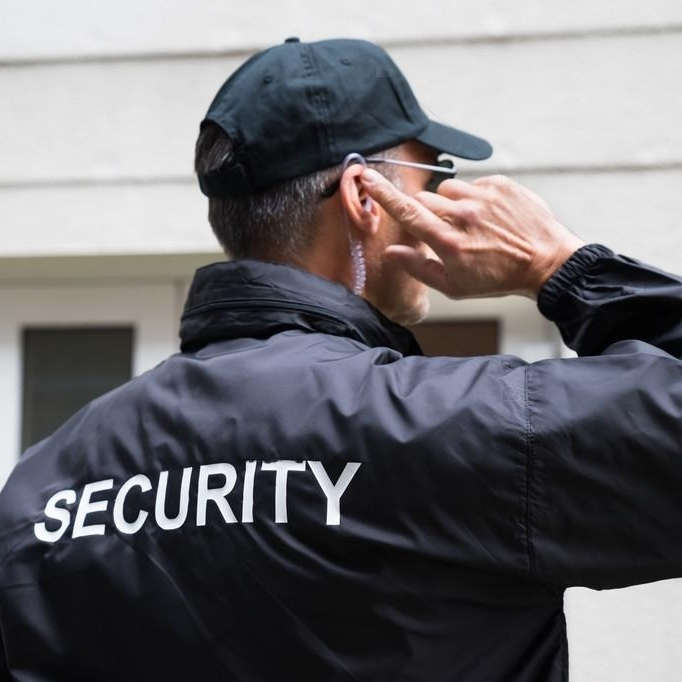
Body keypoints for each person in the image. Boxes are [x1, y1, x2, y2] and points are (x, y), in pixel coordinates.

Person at [0, 36, 680, 682]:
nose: (444, 201)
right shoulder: (453, 425)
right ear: (364, 198)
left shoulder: (45, 484)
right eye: (434, 176)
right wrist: (558, 267)